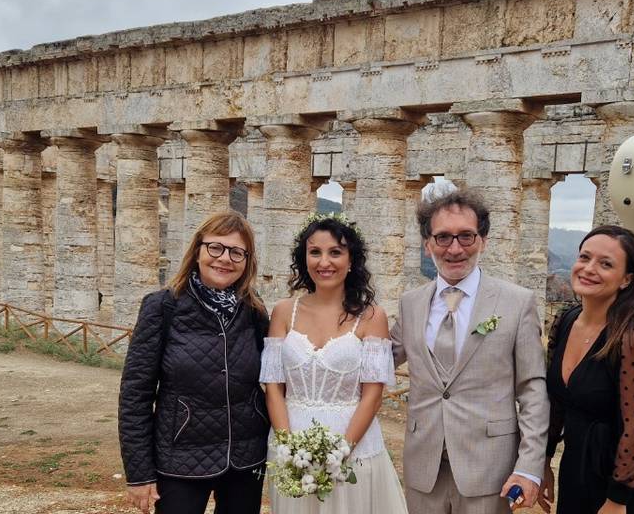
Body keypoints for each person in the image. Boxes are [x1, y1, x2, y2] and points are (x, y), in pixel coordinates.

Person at [390, 188, 549, 513]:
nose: (454, 248)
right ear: (427, 243)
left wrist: (529, 465)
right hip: (424, 466)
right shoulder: (411, 303)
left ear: (483, 240)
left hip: (490, 467)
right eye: (443, 237)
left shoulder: (517, 303)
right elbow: (378, 361)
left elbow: (532, 389)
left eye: (466, 236)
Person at [118, 211, 270, 514]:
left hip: (246, 456)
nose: (225, 258)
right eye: (216, 247)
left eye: (236, 252)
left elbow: (275, 376)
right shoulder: (162, 307)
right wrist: (139, 474)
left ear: (247, 260)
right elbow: (135, 395)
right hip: (180, 457)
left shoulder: (254, 311)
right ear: (198, 250)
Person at [260, 213, 407, 513]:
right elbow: (274, 387)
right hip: (293, 440)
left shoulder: (371, 316)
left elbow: (373, 393)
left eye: (335, 252)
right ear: (304, 259)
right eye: (315, 252)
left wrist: (340, 452)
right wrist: (288, 449)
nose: (324, 262)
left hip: (353, 443)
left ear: (351, 260)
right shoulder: (283, 312)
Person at [538, 225, 634, 514]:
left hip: (625, 483)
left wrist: (617, 499)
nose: (589, 268)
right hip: (577, 468)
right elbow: (557, 402)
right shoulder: (566, 321)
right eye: (584, 257)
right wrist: (545, 460)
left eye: (605, 264)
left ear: (627, 279)